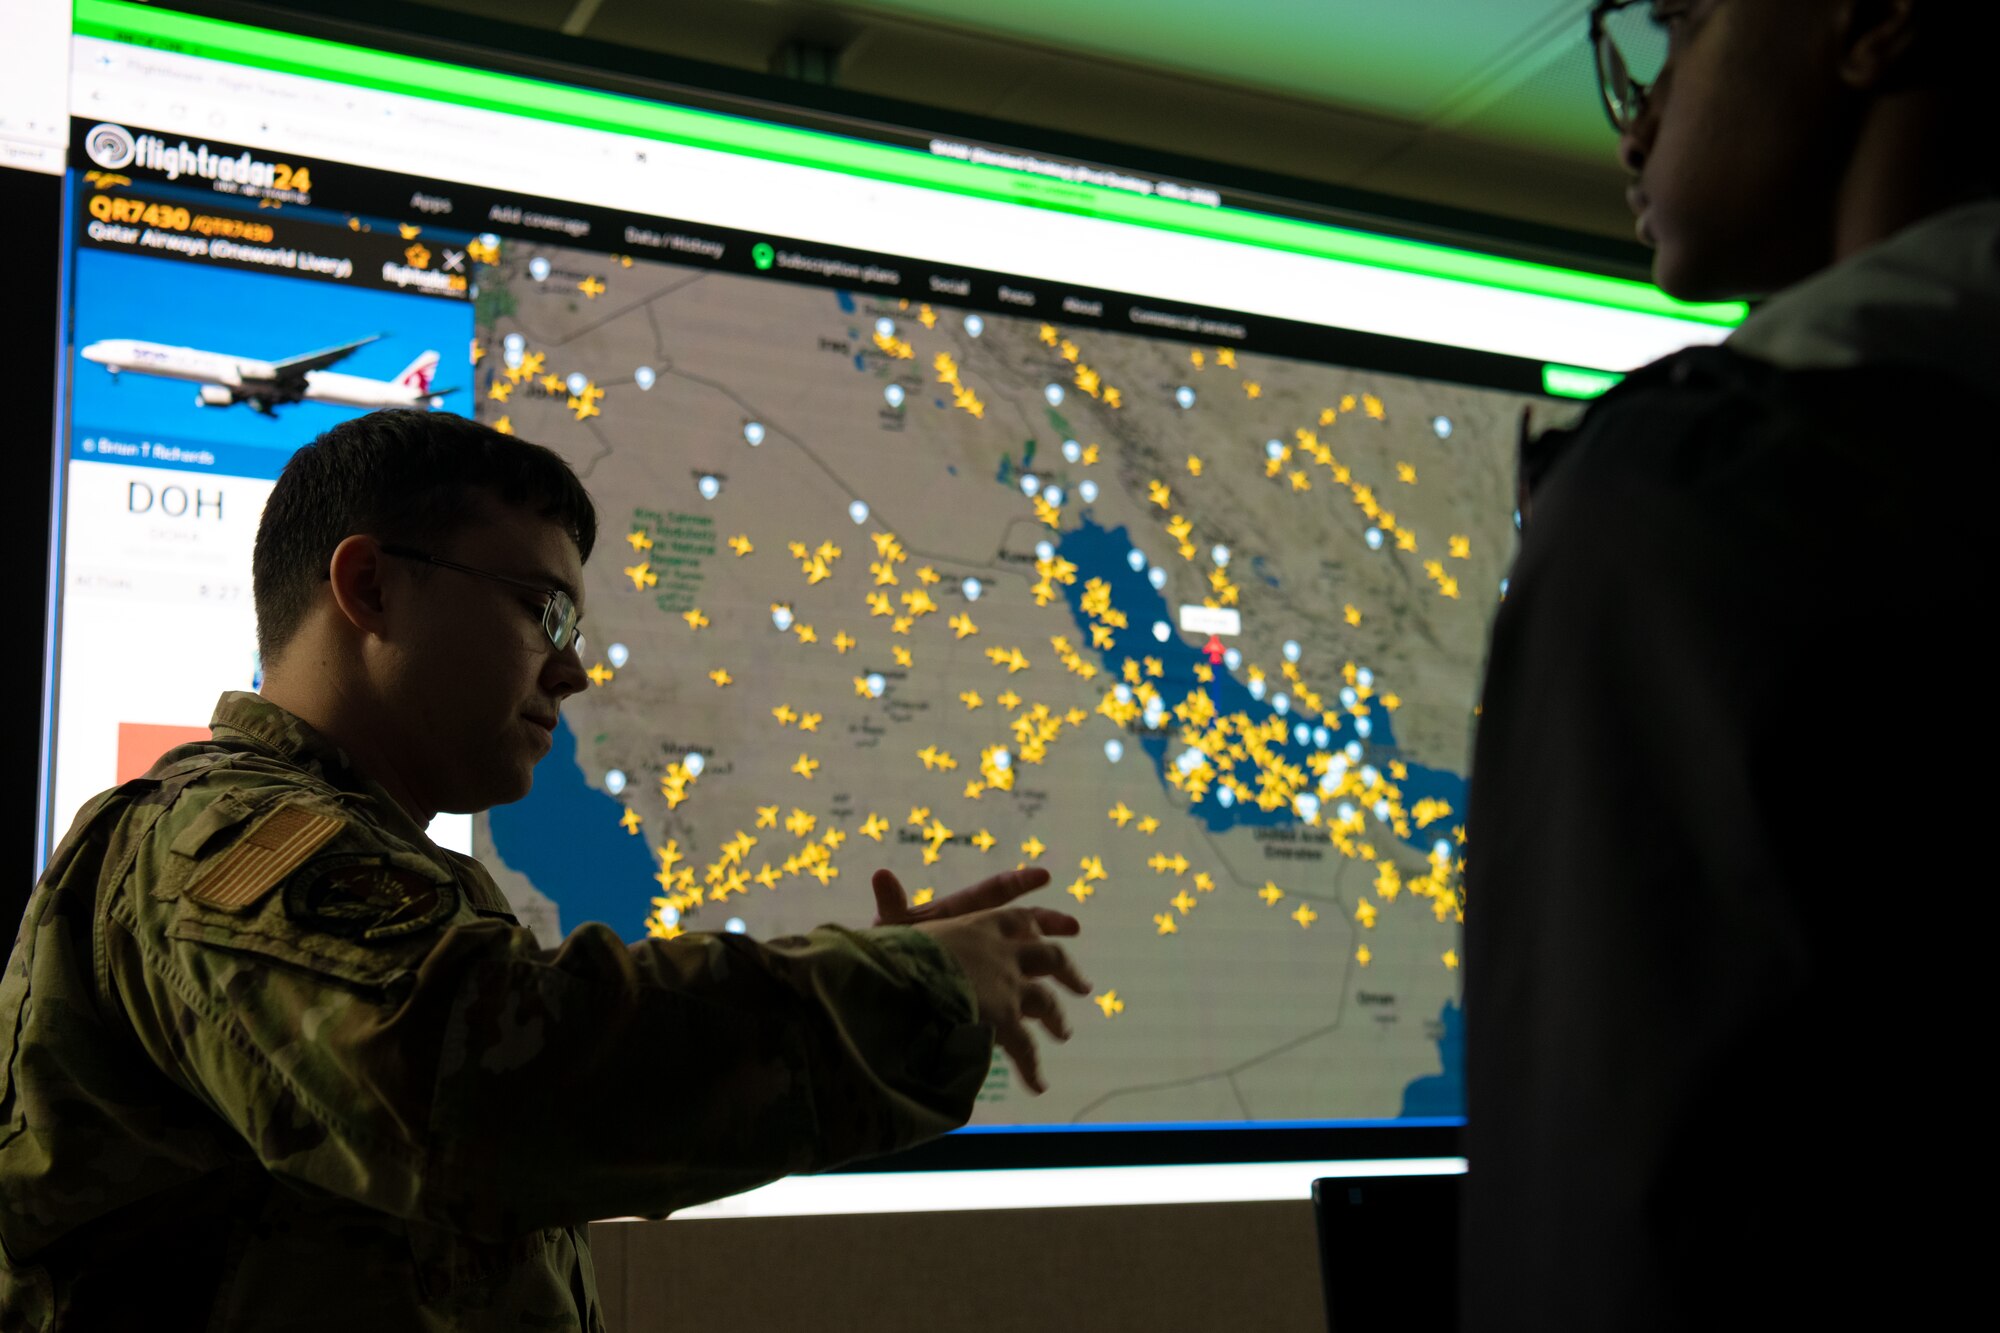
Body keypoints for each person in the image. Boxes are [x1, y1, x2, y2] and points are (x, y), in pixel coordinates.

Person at [0, 409, 1088, 1330]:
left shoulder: (331, 848)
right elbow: (477, 1082)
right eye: (541, 608)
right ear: (370, 588)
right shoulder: (217, 839)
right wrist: (906, 988)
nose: (569, 669)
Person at [1465, 0, 1990, 1326]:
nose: (1638, 122)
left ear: (1878, 19)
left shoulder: (1707, 506)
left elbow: (1622, 1228)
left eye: (1682, 25)